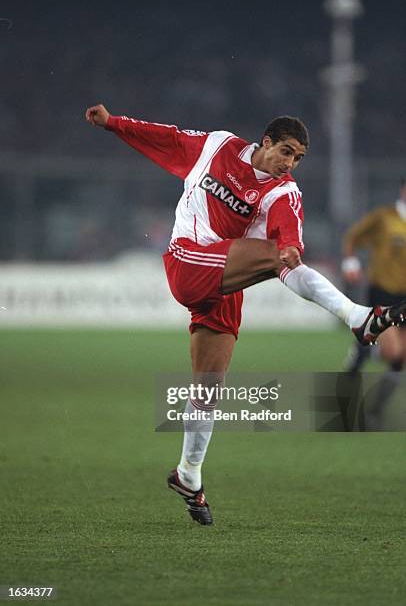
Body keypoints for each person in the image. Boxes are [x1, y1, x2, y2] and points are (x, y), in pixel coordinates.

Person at [85, 104, 406, 524]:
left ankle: (189, 474)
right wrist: (113, 124)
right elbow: (166, 137)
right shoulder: (218, 147)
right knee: (277, 259)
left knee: (208, 391)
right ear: (266, 142)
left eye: (298, 159)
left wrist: (290, 247)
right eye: (287, 152)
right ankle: (358, 318)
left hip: (224, 284)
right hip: (188, 259)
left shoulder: (284, 191)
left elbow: (288, 233)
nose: (290, 164)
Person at [342, 179, 406, 427]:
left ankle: (374, 411)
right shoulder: (384, 218)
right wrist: (351, 264)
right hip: (383, 294)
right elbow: (352, 238)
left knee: (400, 361)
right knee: (393, 352)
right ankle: (367, 344)